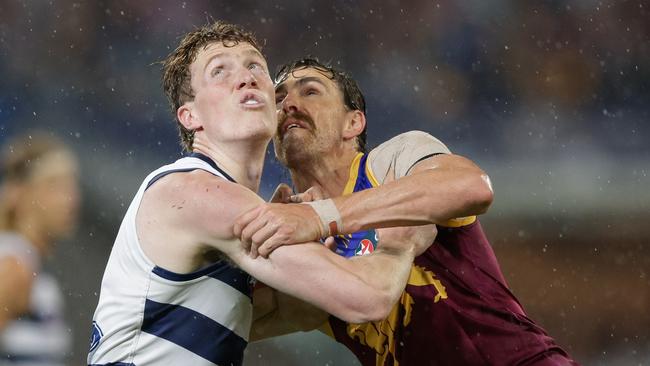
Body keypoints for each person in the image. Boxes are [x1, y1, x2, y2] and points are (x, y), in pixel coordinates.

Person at [87, 22, 435, 366]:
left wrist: (310, 246)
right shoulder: (197, 193)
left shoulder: (216, 202)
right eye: (219, 71)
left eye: (254, 65)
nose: (246, 77)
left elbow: (299, 312)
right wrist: (399, 242)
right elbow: (367, 300)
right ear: (190, 116)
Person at [235, 58, 579, 365]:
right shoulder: (296, 237)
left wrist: (320, 216)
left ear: (353, 123)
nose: (289, 105)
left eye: (310, 91)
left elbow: (472, 186)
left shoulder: (389, 163)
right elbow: (227, 320)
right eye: (278, 99)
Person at [0, 131, 80, 366]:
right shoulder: (13, 267)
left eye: (72, 186)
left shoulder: (27, 264)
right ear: (19, 192)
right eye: (55, 186)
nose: (71, 199)